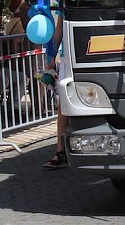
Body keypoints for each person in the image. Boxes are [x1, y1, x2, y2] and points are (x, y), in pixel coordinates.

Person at [43, 16, 68, 169]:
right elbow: (59, 31)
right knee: (63, 105)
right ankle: (60, 150)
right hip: (68, 57)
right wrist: (51, 56)